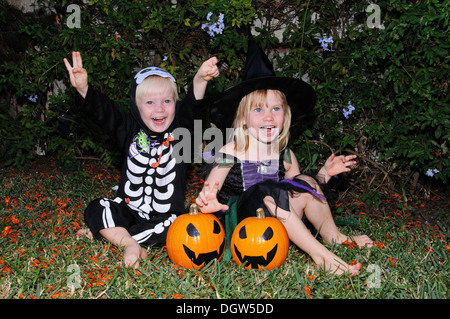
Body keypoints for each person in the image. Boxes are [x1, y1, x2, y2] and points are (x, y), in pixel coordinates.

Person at [195, 35, 373, 275]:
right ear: (243, 119)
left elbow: (296, 192)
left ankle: (335, 237)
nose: (268, 116)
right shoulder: (230, 152)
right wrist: (209, 201)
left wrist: (322, 176)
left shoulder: (285, 154)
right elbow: (209, 191)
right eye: (258, 109)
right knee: (265, 191)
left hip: (279, 220)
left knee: (304, 182)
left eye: (275, 108)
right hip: (245, 224)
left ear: (285, 115)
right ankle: (321, 256)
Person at [64, 51, 219, 269]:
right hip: (128, 210)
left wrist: (200, 80)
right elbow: (106, 113)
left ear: (175, 104)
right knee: (97, 206)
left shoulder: (182, 136)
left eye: (167, 101)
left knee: (177, 225)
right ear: (136, 107)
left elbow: (193, 109)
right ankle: (130, 242)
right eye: (150, 102)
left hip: (164, 217)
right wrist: (83, 88)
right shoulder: (129, 131)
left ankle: (114, 235)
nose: (159, 109)